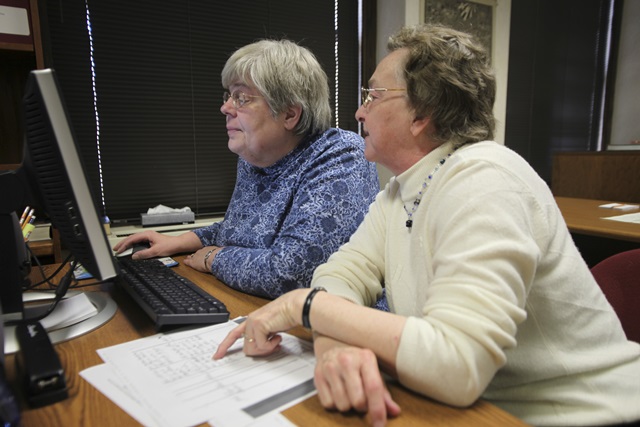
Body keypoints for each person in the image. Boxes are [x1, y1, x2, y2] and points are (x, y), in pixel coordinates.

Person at [213, 24, 640, 427]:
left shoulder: (485, 181)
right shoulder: (400, 192)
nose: (360, 112)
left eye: (374, 95)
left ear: (422, 114)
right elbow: (340, 274)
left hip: (589, 416)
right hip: (481, 407)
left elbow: (457, 365)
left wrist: (304, 306)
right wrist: (334, 344)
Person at [113, 39, 380, 299]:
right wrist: (180, 240)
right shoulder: (255, 156)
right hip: (253, 306)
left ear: (289, 114)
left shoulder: (341, 155)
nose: (225, 107)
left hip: (333, 330)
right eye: (229, 95)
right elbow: (238, 230)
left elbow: (292, 274)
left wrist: (212, 257)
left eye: (241, 98)